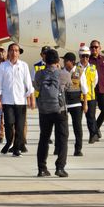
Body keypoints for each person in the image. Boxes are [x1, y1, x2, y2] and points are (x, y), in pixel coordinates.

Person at [35, 49, 72, 177]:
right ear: (57, 61)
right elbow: (68, 86)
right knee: (62, 138)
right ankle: (60, 167)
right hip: (60, 110)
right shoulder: (64, 74)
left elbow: (37, 86)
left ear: (45, 59)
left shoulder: (39, 74)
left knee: (44, 138)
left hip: (44, 110)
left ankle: (41, 168)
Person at [0, 43, 34, 157]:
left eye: (16, 50)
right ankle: (9, 142)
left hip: (20, 101)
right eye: (12, 50)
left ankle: (16, 147)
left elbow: (28, 83)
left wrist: (31, 98)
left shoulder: (24, 65)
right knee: (8, 124)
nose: (14, 52)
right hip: (7, 100)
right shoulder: (3, 66)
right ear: (8, 52)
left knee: (20, 125)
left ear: (19, 53)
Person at [62, 52, 88, 156]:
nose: (64, 62)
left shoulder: (79, 72)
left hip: (76, 104)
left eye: (66, 60)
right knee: (62, 127)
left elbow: (84, 89)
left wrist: (85, 103)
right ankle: (59, 147)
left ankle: (78, 149)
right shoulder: (62, 72)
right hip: (64, 103)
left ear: (72, 62)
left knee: (77, 127)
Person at [89, 40, 104, 139]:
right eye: (92, 47)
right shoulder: (88, 60)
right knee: (91, 113)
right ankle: (94, 133)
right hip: (91, 91)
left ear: (100, 48)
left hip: (103, 89)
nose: (94, 49)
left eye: (96, 47)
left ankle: (95, 128)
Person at [78, 45, 99, 143]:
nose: (85, 58)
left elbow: (95, 82)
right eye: (83, 56)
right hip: (77, 97)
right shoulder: (76, 68)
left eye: (87, 56)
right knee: (78, 119)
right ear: (79, 56)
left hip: (90, 97)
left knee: (91, 118)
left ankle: (93, 135)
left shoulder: (93, 68)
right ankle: (79, 138)